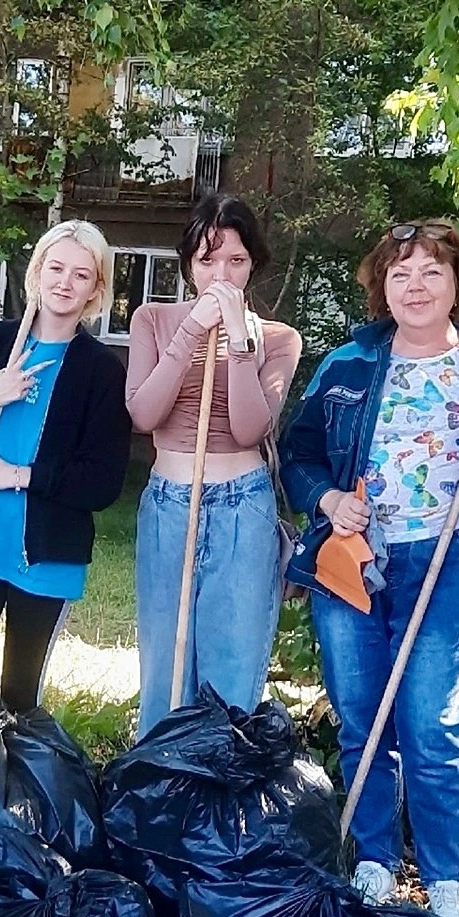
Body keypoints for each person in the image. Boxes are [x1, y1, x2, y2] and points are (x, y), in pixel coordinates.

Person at [278, 219, 459, 917]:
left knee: (432, 722)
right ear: (380, 287)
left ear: (458, 284)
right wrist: (328, 501)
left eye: (430, 272)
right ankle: (375, 863)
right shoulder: (348, 365)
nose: (414, 286)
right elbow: (298, 457)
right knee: (362, 718)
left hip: (452, 565)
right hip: (355, 561)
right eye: (399, 273)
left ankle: (447, 882)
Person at [0, 219, 132, 713]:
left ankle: (13, 789)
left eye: (81, 275)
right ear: (36, 272)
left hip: (46, 559)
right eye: (55, 268)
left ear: (96, 289)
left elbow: (103, 481)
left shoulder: (100, 369)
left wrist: (18, 477)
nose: (64, 282)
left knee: (21, 698)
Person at [127, 194, 301, 736]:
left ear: (254, 266)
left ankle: (222, 806)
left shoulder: (278, 339)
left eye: (236, 261)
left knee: (234, 668)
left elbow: (250, 427)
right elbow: (143, 413)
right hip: (169, 503)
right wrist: (189, 336)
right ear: (187, 265)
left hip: (241, 508)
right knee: (166, 669)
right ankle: (161, 795)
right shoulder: (152, 319)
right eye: (207, 260)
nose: (221, 273)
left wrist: (236, 346)